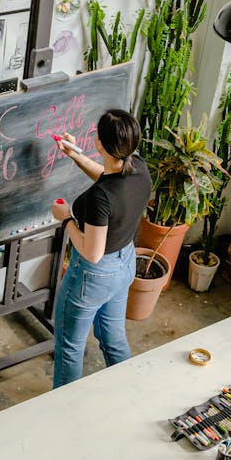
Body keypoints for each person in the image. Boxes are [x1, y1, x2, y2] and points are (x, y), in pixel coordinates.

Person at [51, 109, 151, 389]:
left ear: (100, 144)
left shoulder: (100, 198)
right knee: (113, 337)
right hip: (124, 264)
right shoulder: (139, 168)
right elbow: (108, 176)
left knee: (70, 348)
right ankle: (124, 393)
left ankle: (62, 411)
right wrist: (75, 155)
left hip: (94, 276)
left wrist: (66, 219)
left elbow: (92, 252)